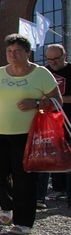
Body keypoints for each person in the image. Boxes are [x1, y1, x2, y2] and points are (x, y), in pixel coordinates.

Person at [0, 34, 61, 235]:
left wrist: (36, 103)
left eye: (17, 51)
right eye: (9, 51)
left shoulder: (41, 74)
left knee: (24, 178)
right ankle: (8, 204)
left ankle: (23, 221)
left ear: (28, 53)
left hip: (27, 135)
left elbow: (56, 102)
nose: (12, 55)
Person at [37, 44, 71, 207]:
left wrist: (57, 101)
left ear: (64, 55)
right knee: (50, 155)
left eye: (56, 59)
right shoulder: (43, 72)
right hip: (49, 120)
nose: (53, 63)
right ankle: (53, 190)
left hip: (68, 119)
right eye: (50, 59)